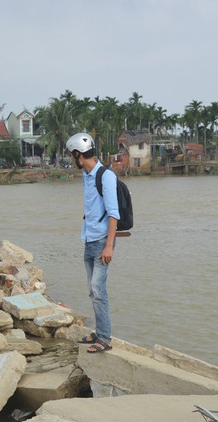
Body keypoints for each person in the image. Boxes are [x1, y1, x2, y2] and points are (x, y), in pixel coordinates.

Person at [66, 132, 120, 353]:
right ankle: (99, 332)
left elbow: (113, 213)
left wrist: (109, 245)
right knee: (92, 290)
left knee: (99, 290)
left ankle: (105, 338)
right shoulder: (86, 176)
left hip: (102, 242)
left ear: (78, 154)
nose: (71, 160)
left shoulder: (105, 176)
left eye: (72, 156)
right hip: (89, 239)